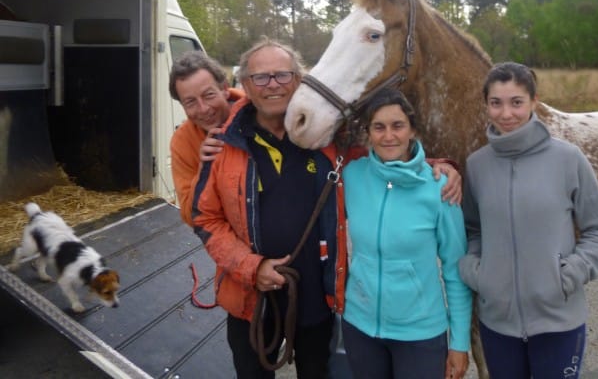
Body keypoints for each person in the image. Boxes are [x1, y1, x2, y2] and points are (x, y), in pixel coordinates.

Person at [191, 38, 462, 379]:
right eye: (261, 77)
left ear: (300, 79)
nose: (272, 84)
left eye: (282, 75)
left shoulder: (327, 138)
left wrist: (437, 167)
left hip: (317, 300)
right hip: (250, 300)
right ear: (245, 84)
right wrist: (250, 267)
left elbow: (387, 160)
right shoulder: (223, 146)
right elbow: (204, 219)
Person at [458, 62, 598, 379]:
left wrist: (569, 275)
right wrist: (477, 272)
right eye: (496, 103)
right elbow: (473, 229)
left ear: (534, 101)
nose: (506, 114)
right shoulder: (476, 166)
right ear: (486, 105)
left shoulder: (568, 159)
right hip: (498, 324)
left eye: (516, 102)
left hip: (559, 322)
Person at [341, 88, 471, 379]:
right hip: (359, 327)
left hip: (420, 333)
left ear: (412, 129)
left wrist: (460, 343)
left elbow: (454, 269)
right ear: (368, 133)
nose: (389, 136)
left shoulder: (440, 188)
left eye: (397, 126)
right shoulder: (351, 175)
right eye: (379, 127)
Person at [168, 50, 245, 226]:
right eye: (190, 102)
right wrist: (204, 171)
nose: (203, 109)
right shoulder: (183, 142)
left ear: (225, 89)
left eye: (209, 95)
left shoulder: (258, 114)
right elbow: (191, 216)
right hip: (228, 237)